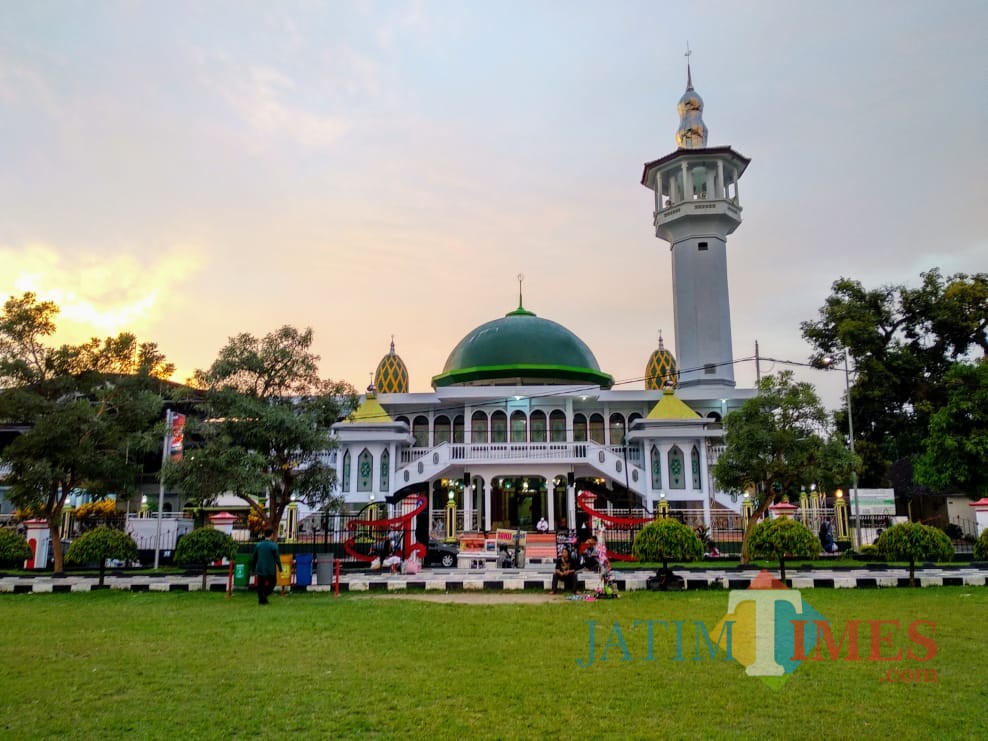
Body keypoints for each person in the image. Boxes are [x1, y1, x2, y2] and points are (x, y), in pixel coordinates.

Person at [251, 527, 282, 605]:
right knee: (272, 583)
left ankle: (262, 598)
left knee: (260, 585)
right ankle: (264, 596)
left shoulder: (258, 545)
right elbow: (277, 558)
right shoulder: (273, 546)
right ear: (271, 535)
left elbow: (254, 558)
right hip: (270, 569)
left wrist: (253, 568)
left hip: (260, 568)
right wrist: (280, 568)